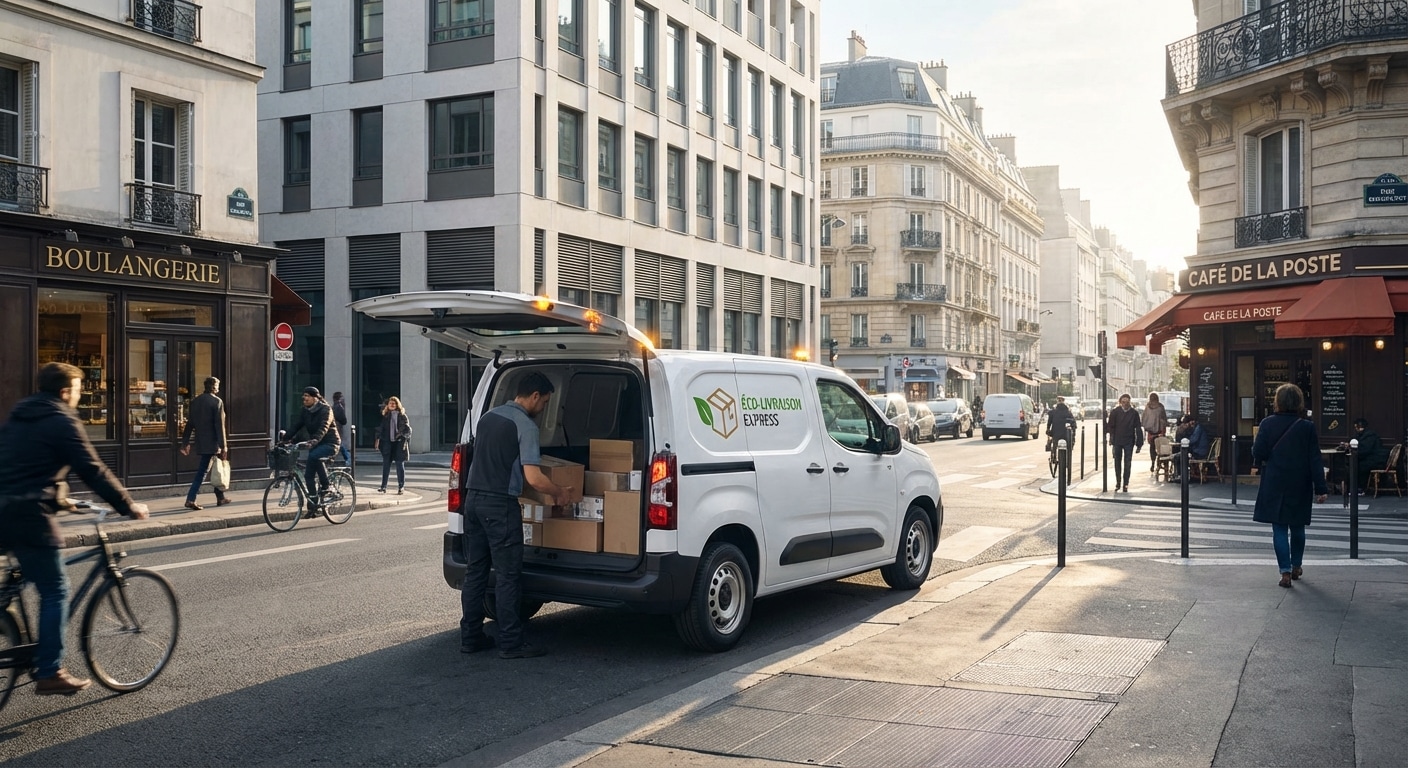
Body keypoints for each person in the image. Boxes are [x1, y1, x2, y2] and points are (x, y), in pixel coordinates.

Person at [0, 363, 150, 695]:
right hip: (29, 515)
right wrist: (128, 505)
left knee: (20, 581)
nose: (81, 397)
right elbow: (92, 469)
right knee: (55, 590)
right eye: (80, 390)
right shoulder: (62, 420)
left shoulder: (20, 415)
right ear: (65, 391)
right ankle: (49, 670)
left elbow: (26, 463)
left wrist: (61, 499)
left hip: (4, 510)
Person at [460, 372, 573, 659]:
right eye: (545, 402)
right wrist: (559, 492)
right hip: (500, 505)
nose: (544, 408)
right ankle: (510, 642)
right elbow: (533, 478)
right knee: (508, 576)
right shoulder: (526, 426)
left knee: (476, 572)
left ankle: (471, 637)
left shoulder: (487, 418)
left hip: (472, 501)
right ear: (534, 396)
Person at [1252, 384, 1328, 588]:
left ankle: (1284, 571)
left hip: (1275, 481)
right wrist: (1321, 488)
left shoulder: (1267, 424)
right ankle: (1297, 566)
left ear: (1278, 401)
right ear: (1298, 402)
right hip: (1299, 482)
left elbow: (1258, 453)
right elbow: (1315, 459)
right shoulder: (1307, 427)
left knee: (1278, 527)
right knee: (1297, 526)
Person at [282, 387, 340, 509]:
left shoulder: (326, 409)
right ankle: (313, 505)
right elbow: (297, 425)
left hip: (330, 443)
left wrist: (315, 440)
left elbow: (324, 427)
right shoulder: (306, 411)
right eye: (304, 396)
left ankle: (326, 486)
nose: (304, 398)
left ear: (315, 397)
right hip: (316, 444)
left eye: (307, 395)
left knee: (314, 456)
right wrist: (285, 439)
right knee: (309, 476)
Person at [179, 376, 230, 510]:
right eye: (217, 385)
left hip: (201, 441)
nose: (218, 388)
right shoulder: (217, 402)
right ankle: (190, 499)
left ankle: (221, 497)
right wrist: (224, 446)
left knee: (217, 468)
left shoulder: (195, 401)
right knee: (203, 472)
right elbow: (220, 426)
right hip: (213, 443)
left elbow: (190, 423)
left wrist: (185, 442)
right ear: (214, 387)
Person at [373, 396, 412, 494]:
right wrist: (377, 440)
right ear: (388, 405)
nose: (392, 405)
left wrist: (402, 436)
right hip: (387, 442)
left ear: (397, 405)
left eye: (394, 403)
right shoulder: (385, 416)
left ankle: (401, 487)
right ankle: (383, 486)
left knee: (399, 464)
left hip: (399, 443)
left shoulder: (402, 416)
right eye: (390, 403)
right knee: (386, 464)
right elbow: (380, 429)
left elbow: (408, 430)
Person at [1339, 418, 1388, 496]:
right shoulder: (1364, 435)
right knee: (1356, 465)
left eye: (1357, 427)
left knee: (1359, 466)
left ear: (1360, 426)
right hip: (1372, 458)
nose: (1356, 429)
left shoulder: (1369, 436)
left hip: (1376, 460)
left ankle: (1360, 488)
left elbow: (1365, 450)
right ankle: (1355, 487)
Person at [1106, 393, 1143, 493]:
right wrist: (1111, 438)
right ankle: (1118, 482)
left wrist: (1139, 443)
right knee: (1117, 462)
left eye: (1127, 402)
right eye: (1123, 402)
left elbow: (1138, 428)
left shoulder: (1134, 413)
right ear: (1120, 402)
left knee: (1127, 463)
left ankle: (1125, 483)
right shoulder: (1115, 412)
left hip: (1129, 441)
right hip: (1117, 441)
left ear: (1130, 402)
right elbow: (1111, 426)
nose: (1125, 404)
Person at [1142, 393, 1168, 474]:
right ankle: (1157, 463)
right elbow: (1164, 419)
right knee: (1160, 448)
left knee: (1153, 448)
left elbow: (1144, 419)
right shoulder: (1160, 407)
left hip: (1151, 431)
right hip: (1159, 431)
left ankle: (1154, 462)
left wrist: (1146, 427)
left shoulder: (1147, 407)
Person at [332, 392, 351, 465]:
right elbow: (343, 419)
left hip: (337, 426)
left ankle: (347, 457)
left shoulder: (335, 406)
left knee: (339, 442)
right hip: (338, 426)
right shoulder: (339, 407)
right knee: (339, 442)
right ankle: (347, 457)